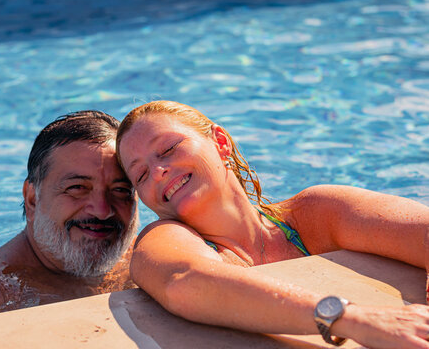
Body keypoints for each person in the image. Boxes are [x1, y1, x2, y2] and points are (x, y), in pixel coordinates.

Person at [115, 100, 429, 349]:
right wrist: (356, 320)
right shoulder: (162, 239)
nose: (157, 171)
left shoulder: (315, 213)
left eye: (168, 149)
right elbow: (184, 283)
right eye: (140, 174)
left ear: (221, 143)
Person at [0, 111, 139, 323]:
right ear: (32, 199)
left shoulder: (142, 258)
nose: (102, 210)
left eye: (120, 190)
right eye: (77, 188)